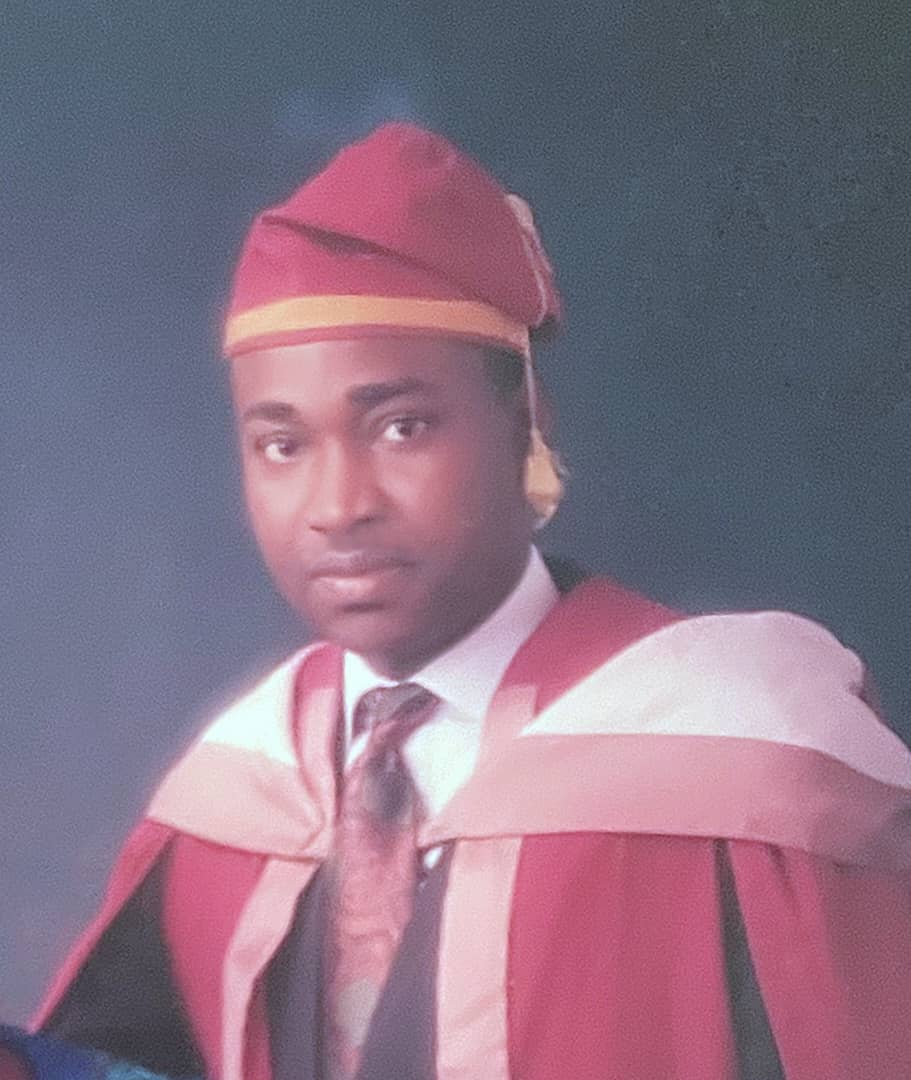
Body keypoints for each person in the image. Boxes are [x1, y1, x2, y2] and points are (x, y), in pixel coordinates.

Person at [13, 123, 911, 1080]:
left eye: (402, 427)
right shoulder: (235, 798)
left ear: (525, 421)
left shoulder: (747, 770)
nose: (338, 505)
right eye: (282, 445)